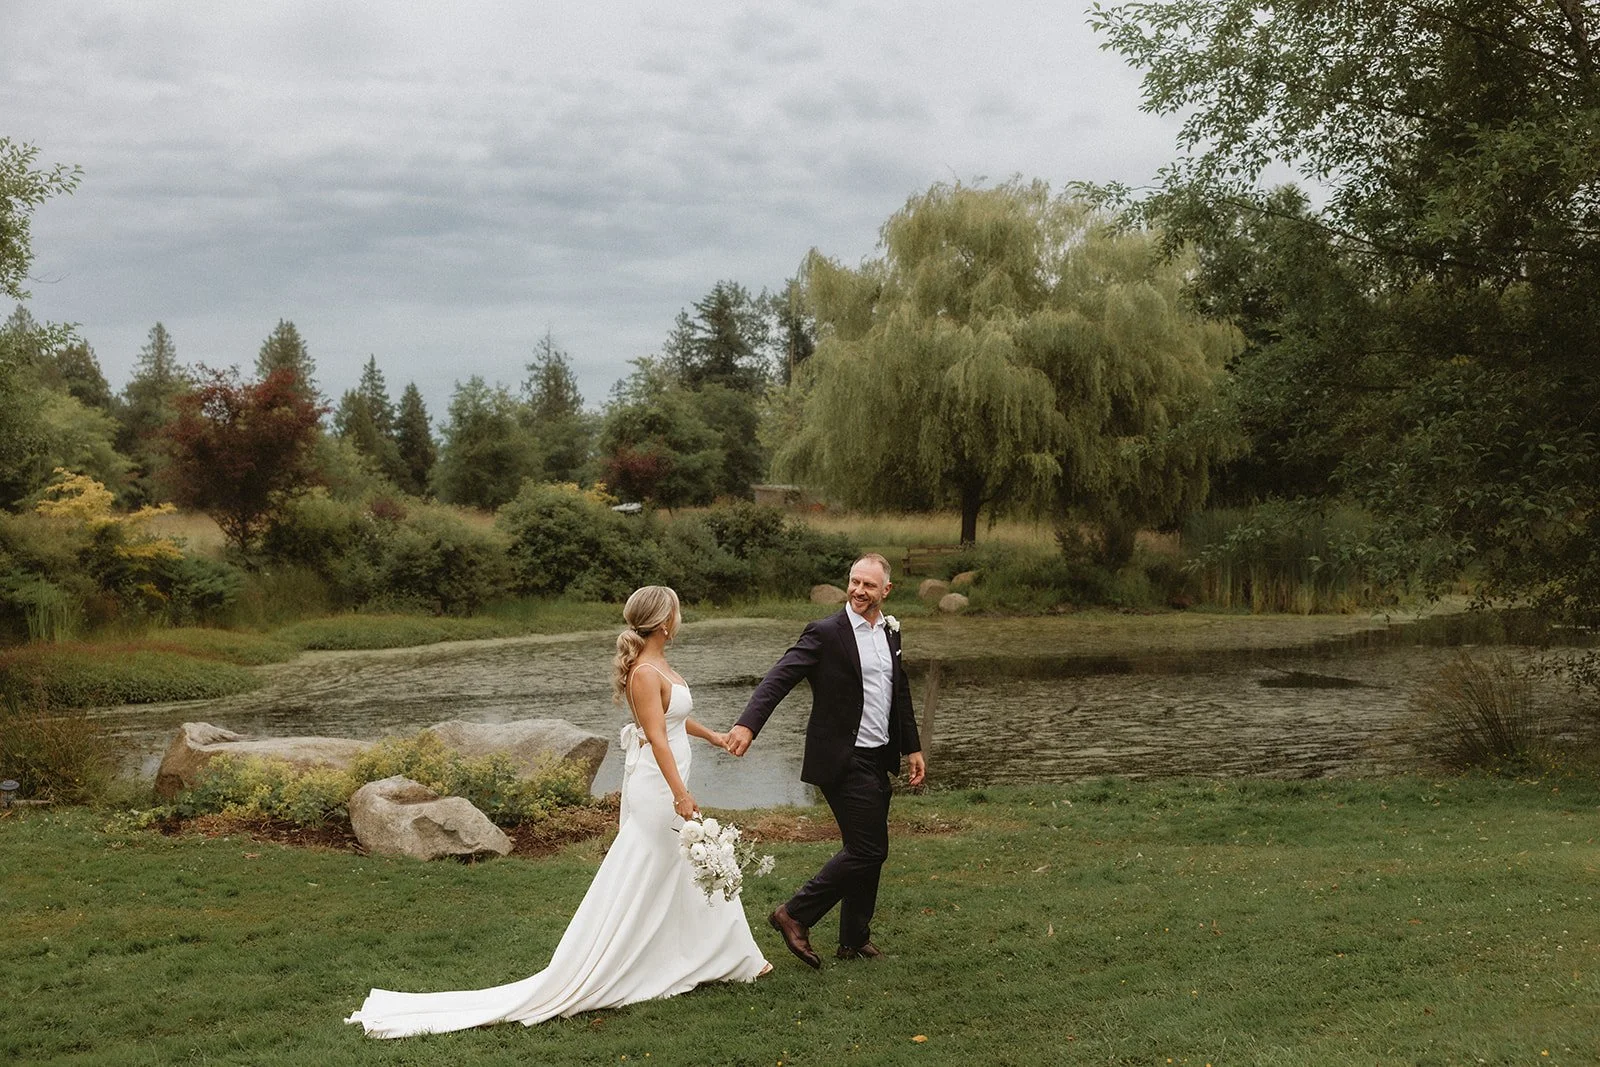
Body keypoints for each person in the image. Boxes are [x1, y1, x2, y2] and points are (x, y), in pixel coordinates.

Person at [346, 586, 769, 1038]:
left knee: (686, 866)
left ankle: (718, 955)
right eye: (677, 612)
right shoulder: (645, 672)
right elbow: (657, 738)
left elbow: (673, 720)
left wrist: (716, 737)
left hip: (669, 778)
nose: (680, 618)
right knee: (663, 864)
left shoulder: (660, 664)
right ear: (664, 621)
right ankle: (634, 958)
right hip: (658, 787)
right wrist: (680, 794)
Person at [725, 553, 926, 967]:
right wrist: (748, 725)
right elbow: (779, 677)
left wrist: (912, 747)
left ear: (886, 591)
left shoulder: (890, 633)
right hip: (840, 758)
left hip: (877, 757)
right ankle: (794, 913)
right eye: (854, 581)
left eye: (869, 585)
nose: (858, 590)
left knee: (863, 847)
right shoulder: (825, 633)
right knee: (870, 849)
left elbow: (898, 694)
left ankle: (853, 938)